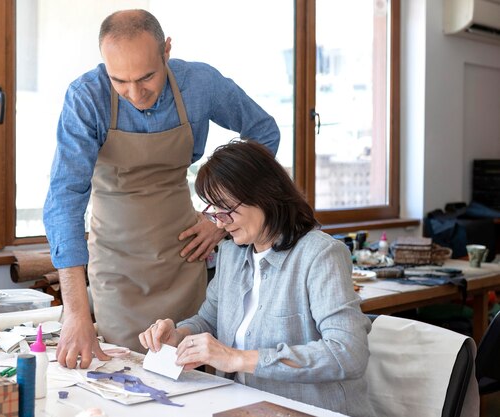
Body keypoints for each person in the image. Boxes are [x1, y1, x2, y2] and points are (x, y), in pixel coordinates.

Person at [43, 9, 280, 368]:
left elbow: (264, 133)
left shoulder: (199, 84)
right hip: (116, 268)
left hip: (184, 257)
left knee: (195, 373)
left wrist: (219, 220)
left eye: (147, 77)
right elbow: (64, 200)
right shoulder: (85, 98)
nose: (135, 93)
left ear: (166, 50)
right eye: (119, 81)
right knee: (124, 375)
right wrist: (75, 312)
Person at [139, 140, 375, 417]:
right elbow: (209, 319)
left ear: (265, 195)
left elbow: (347, 354)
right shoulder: (231, 254)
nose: (219, 222)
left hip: (313, 409)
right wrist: (178, 335)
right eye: (213, 210)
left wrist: (236, 359)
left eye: (225, 208)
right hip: (245, 406)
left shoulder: (320, 255)